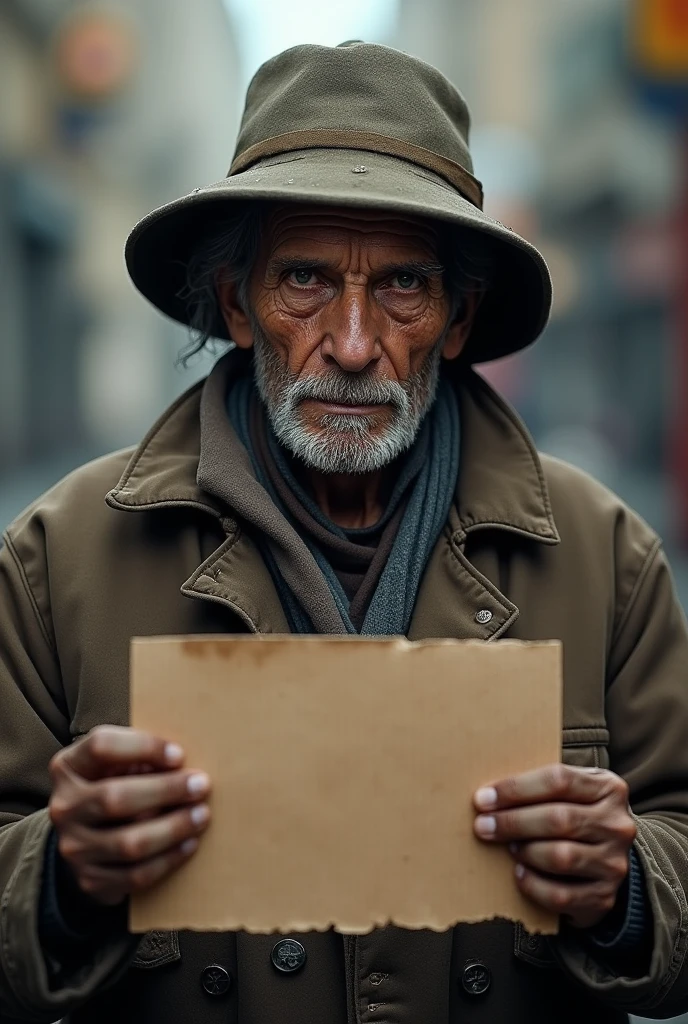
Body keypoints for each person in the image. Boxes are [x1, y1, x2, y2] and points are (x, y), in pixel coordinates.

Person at [0, 40, 687, 1024]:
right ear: (238, 305)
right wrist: (61, 875)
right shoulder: (56, 559)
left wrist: (624, 887)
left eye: (403, 286)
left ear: (454, 321)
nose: (355, 345)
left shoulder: (603, 554)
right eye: (307, 282)